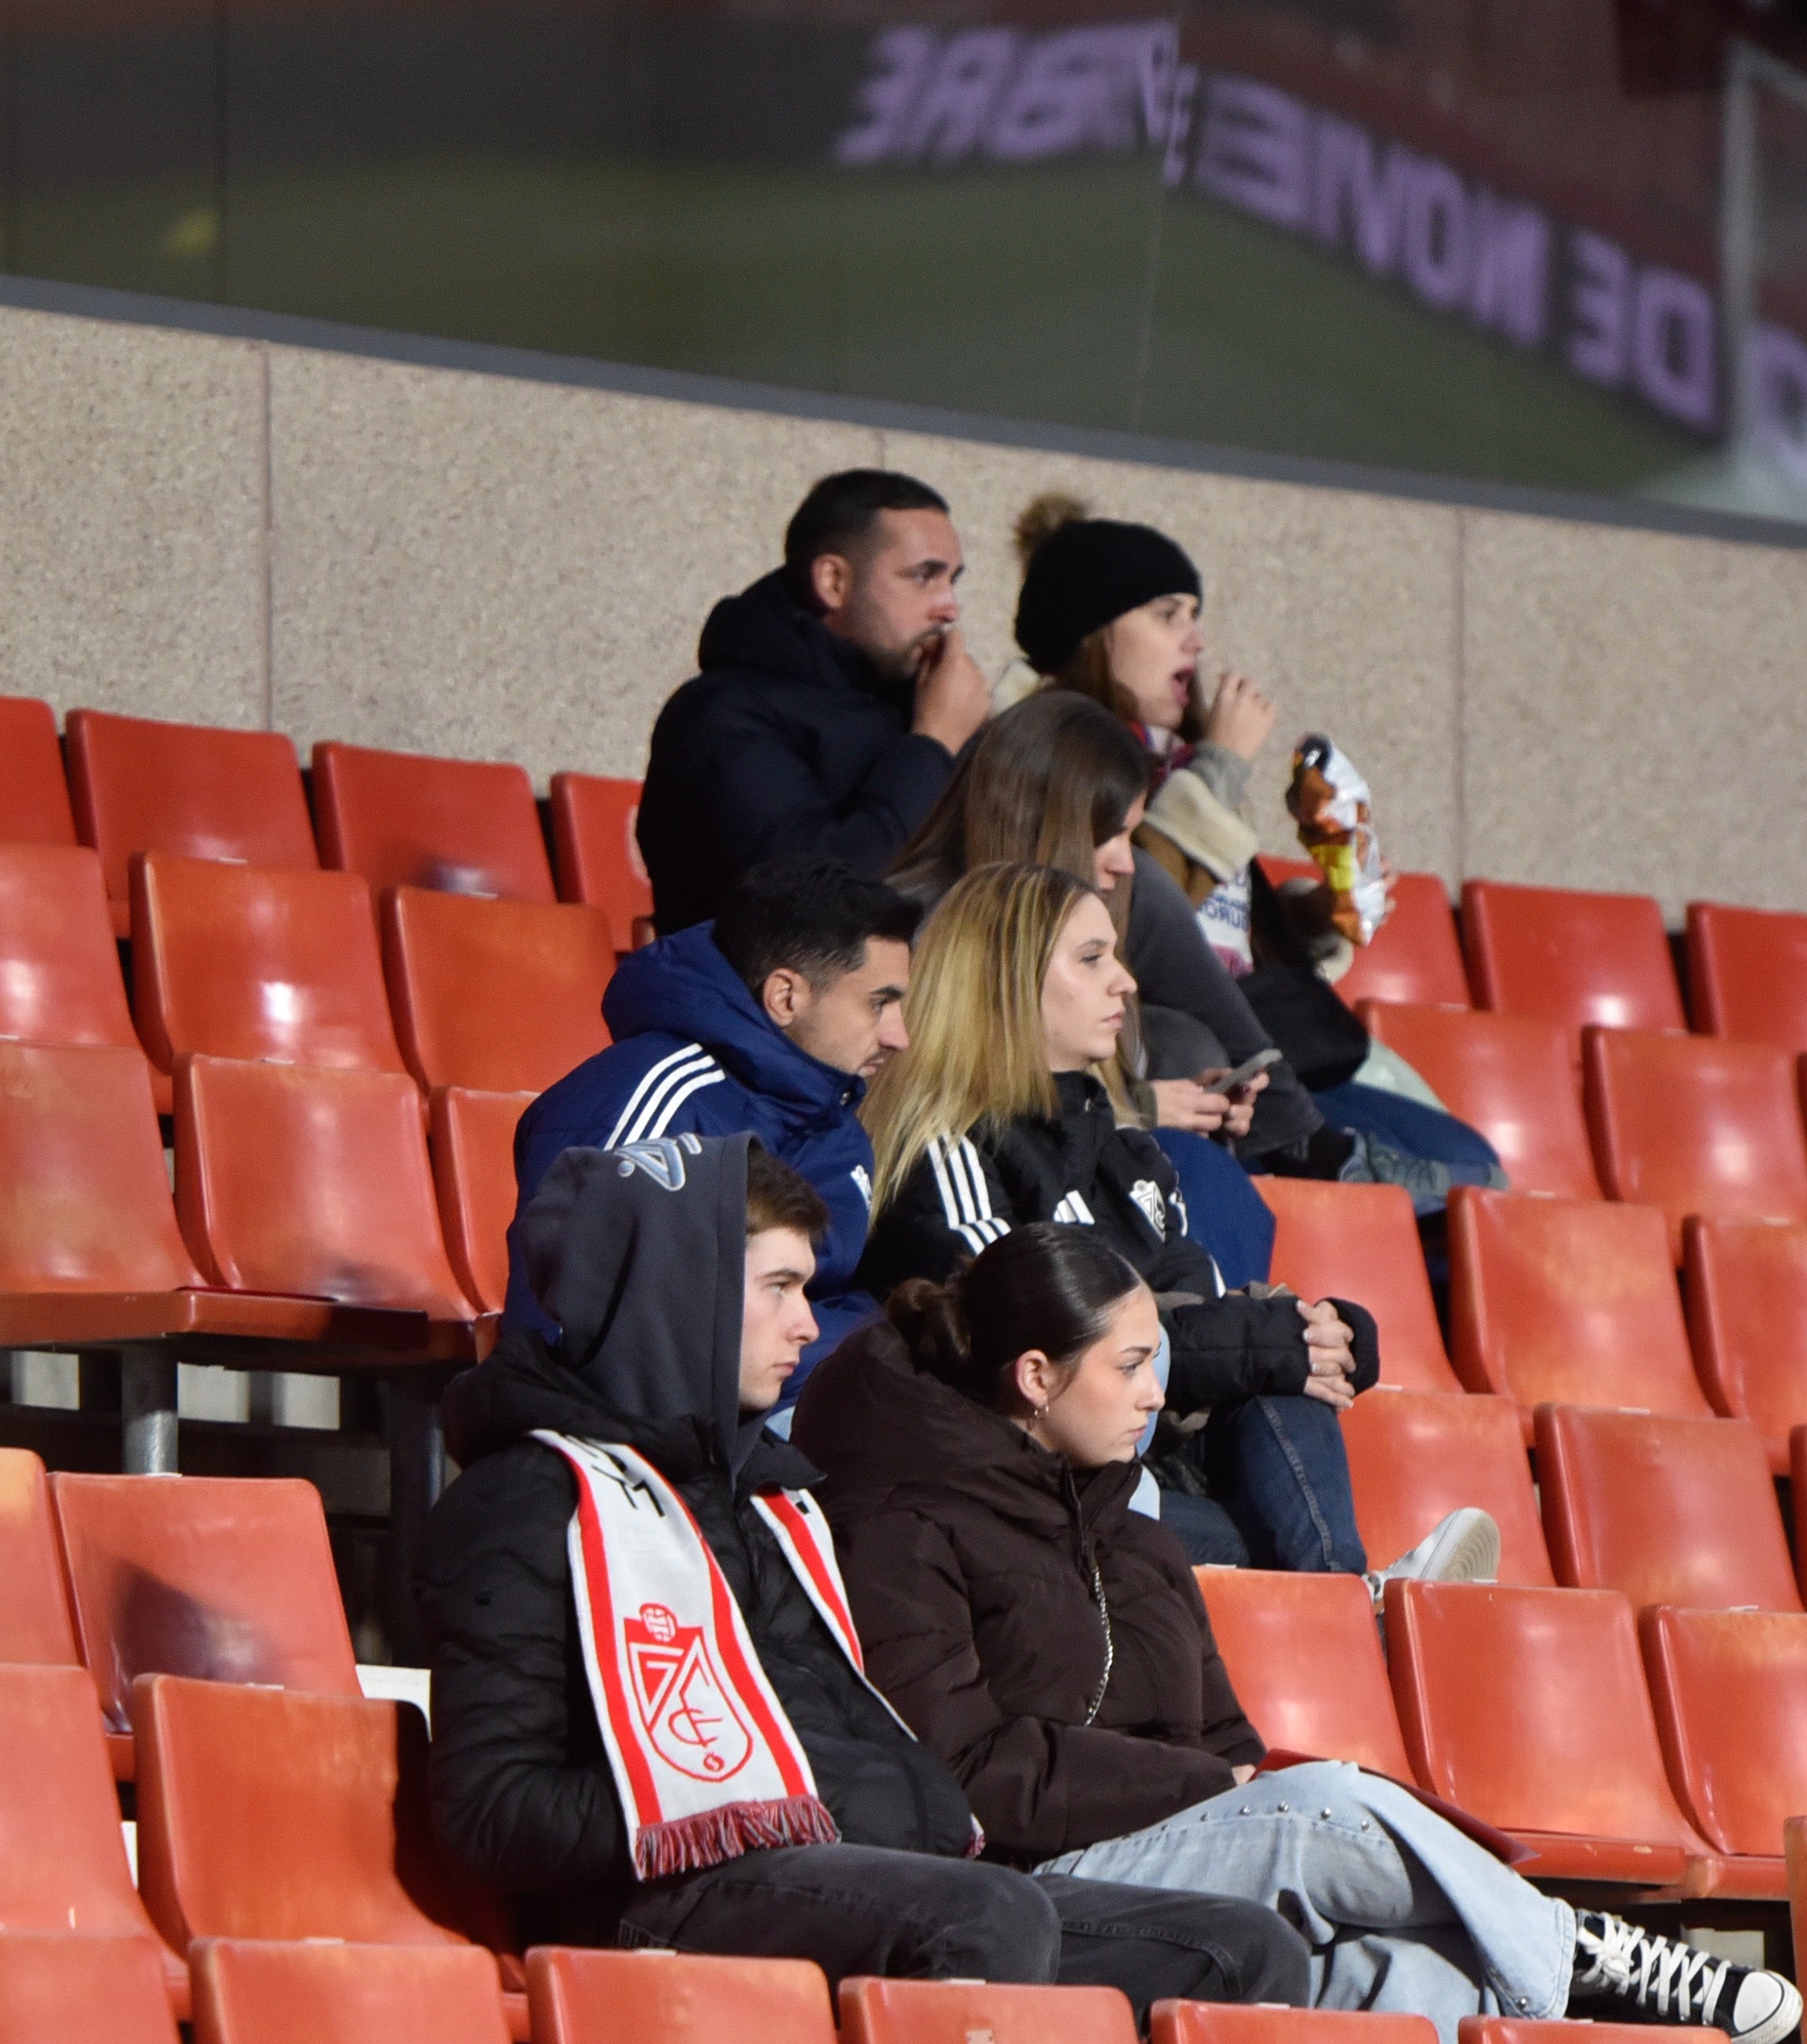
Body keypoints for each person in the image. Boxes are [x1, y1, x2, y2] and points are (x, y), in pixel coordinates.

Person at [799, 1221, 1803, 2044]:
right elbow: (963, 1768)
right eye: (1131, 1365)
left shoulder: (1141, 1540)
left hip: (1176, 1850)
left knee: (1422, 1982)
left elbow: (1230, 1735)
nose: (1158, 1395)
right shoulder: (905, 1527)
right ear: (1035, 1377)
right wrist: (1193, 1784)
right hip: (1031, 1871)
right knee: (1333, 1806)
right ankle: (1573, 1945)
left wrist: (1212, 1779)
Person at [416, 1130, 1312, 2012]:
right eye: (779, 1288)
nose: (809, 1323)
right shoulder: (530, 1504)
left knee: (1238, 1951)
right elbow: (491, 1816)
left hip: (850, 1874)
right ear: (681, 1295)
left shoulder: (766, 1497)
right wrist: (743, 1792)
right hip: (660, 1901)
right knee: (987, 1919)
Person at [851, 861, 1490, 1583]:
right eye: (1092, 960)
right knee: (1265, 1381)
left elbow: (1201, 1307)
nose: (1125, 981)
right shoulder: (948, 1150)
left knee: (1282, 1363)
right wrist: (1262, 1339)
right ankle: (1354, 1599)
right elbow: (1035, 1336)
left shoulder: (1127, 1155)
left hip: (1151, 1457)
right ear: (1006, 983)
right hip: (1025, 1484)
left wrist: (1325, 1336)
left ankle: (1346, 1599)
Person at [1008, 497, 1501, 1201]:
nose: (1196, 641)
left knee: (1471, 1164)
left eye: (1195, 616)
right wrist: (1221, 769)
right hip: (1165, 1051)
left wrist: (1312, 915)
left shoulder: (1176, 759)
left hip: (1274, 1042)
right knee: (1422, 1189)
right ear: (1093, 631)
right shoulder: (1041, 750)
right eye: (1168, 614)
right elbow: (1124, 903)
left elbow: (1215, 929)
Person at [881, 693, 1278, 1286]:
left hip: (1107, 1282)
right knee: (1195, 1171)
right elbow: (953, 1097)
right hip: (1048, 1305)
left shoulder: (1120, 906)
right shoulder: (913, 934)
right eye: (1110, 836)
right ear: (1049, 826)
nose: (1126, 864)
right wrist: (1142, 1108)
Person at [504, 856, 914, 1400]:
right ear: (787, 997)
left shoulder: (837, 1124)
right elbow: (580, 1337)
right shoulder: (652, 1096)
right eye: (879, 1005)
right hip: (655, 1447)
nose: (899, 1037)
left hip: (786, 1421)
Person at [639, 470, 991, 933]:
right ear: (833, 582)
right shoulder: (720, 715)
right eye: (923, 577)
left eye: (952, 580)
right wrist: (934, 745)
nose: (949, 606)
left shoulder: (913, 703)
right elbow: (815, 902)